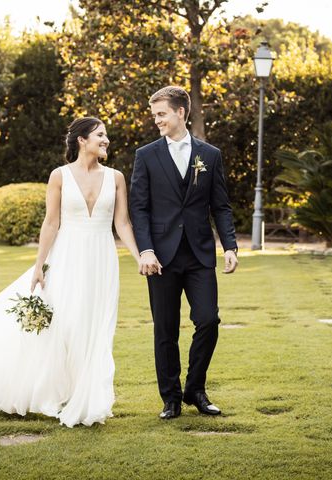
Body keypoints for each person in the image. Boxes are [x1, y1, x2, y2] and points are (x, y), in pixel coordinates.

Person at [0, 117, 141, 428]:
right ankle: (64, 394)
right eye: (100, 135)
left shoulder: (116, 177)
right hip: (66, 258)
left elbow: (123, 224)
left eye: (106, 135)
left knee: (97, 328)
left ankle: (89, 398)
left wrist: (139, 257)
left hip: (102, 261)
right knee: (66, 325)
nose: (106, 140)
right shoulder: (59, 176)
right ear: (82, 140)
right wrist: (39, 265)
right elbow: (51, 223)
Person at [130, 86, 238, 420]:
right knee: (165, 329)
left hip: (199, 254)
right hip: (160, 258)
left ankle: (195, 389)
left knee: (208, 320)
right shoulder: (146, 155)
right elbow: (139, 207)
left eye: (161, 114)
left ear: (180, 112)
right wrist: (145, 250)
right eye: (154, 115)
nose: (157, 120)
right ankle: (171, 399)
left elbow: (220, 205)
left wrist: (230, 245)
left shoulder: (210, 155)